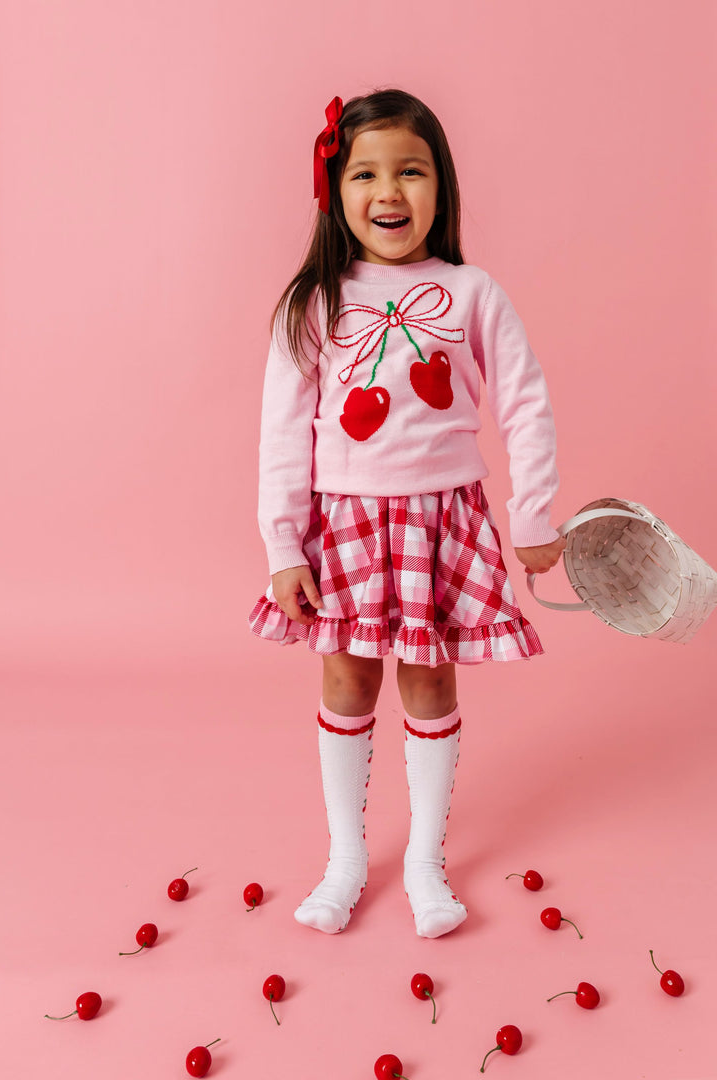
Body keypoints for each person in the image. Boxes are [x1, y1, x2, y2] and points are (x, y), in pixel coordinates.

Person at [248, 89, 565, 938]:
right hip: (344, 524)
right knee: (348, 676)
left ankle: (425, 859)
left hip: (441, 521)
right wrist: (284, 543)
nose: (390, 192)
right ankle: (346, 858)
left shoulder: (470, 293)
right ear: (335, 192)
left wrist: (535, 516)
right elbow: (283, 432)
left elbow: (525, 404)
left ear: (442, 187)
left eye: (411, 172)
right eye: (366, 174)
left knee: (428, 678)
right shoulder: (313, 303)